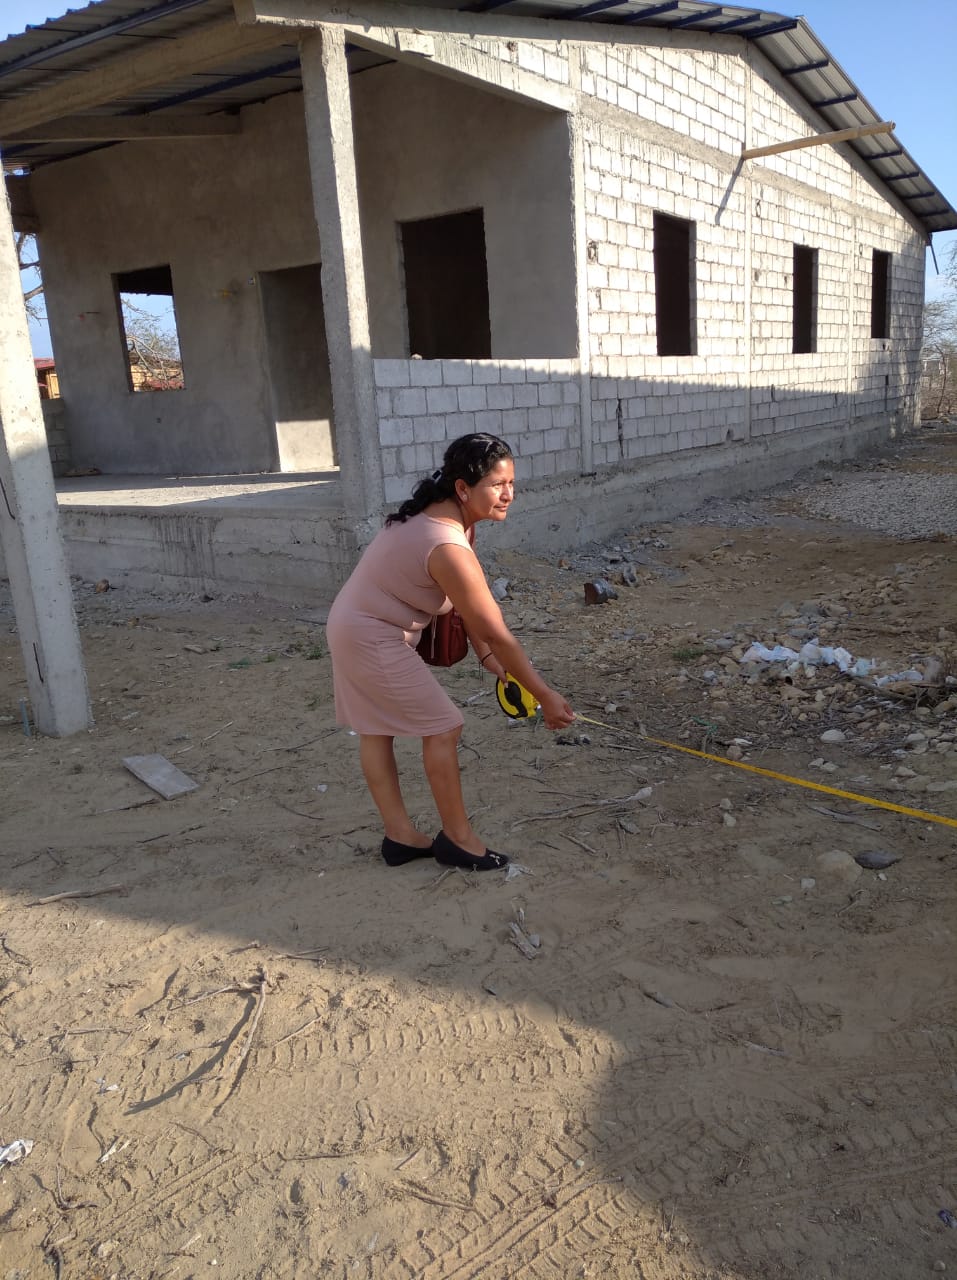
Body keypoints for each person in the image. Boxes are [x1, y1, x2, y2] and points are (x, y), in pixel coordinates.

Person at [326, 433, 576, 872]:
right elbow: (497, 632)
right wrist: (545, 695)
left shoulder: (446, 519)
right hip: (371, 636)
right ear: (463, 488)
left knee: (375, 729)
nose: (509, 494)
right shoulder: (446, 544)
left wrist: (489, 661)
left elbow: (468, 611)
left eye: (512, 483)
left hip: (351, 626)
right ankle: (458, 841)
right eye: (497, 485)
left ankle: (400, 837)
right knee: (444, 726)